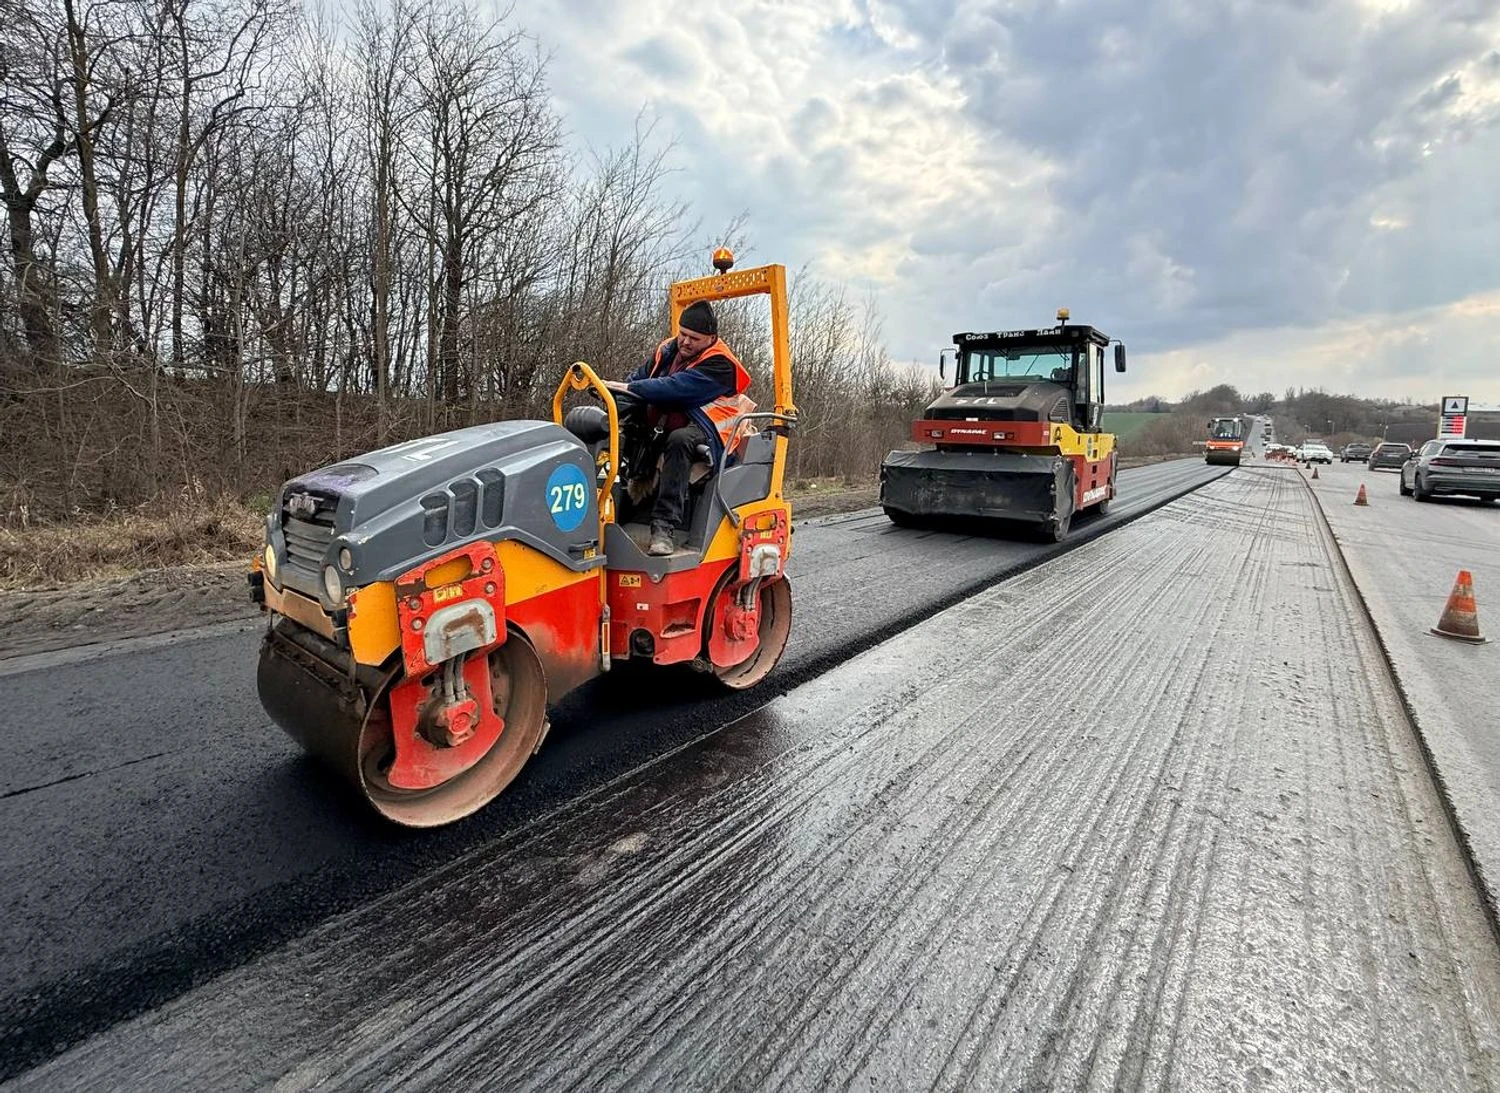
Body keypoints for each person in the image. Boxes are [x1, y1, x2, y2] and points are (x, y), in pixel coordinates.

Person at [605, 300, 754, 555]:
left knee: (680, 440)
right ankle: (615, 514)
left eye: (694, 338)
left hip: (710, 431)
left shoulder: (721, 365)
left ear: (711, 338)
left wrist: (630, 388)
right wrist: (614, 397)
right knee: (627, 430)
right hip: (664, 424)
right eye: (682, 334)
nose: (685, 341)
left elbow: (676, 389)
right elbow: (640, 377)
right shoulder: (668, 349)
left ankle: (663, 529)